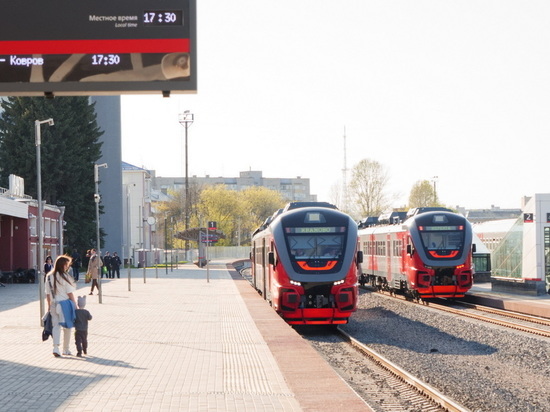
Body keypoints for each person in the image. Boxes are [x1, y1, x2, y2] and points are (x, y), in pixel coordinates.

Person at [45, 255, 78, 357]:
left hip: (54, 304)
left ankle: (55, 347)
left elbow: (47, 294)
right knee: (67, 327)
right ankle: (66, 349)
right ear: (63, 265)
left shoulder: (49, 276)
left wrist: (49, 306)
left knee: (56, 326)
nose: (67, 267)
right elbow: (70, 293)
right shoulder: (65, 277)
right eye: (66, 265)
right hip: (65, 304)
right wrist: (75, 306)